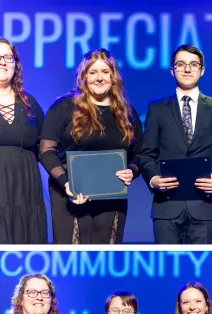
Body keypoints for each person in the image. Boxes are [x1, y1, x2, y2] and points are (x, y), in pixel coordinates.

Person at [39, 48, 143, 244]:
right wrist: (66, 183)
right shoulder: (64, 107)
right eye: (93, 72)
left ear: (113, 77)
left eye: (105, 72)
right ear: (84, 77)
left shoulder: (126, 113)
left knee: (106, 248)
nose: (99, 78)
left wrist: (132, 170)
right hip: (70, 194)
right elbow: (46, 151)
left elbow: (140, 153)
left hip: (111, 197)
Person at [140, 44, 212, 244]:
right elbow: (147, 154)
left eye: (193, 64)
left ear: (202, 70)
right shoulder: (157, 109)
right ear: (172, 70)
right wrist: (153, 179)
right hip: (166, 206)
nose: (187, 69)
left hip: (205, 206)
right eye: (181, 64)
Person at [0, 39, 47, 244]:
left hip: (26, 190)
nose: (2, 62)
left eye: (8, 57)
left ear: (15, 63)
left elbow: (46, 147)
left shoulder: (30, 103)